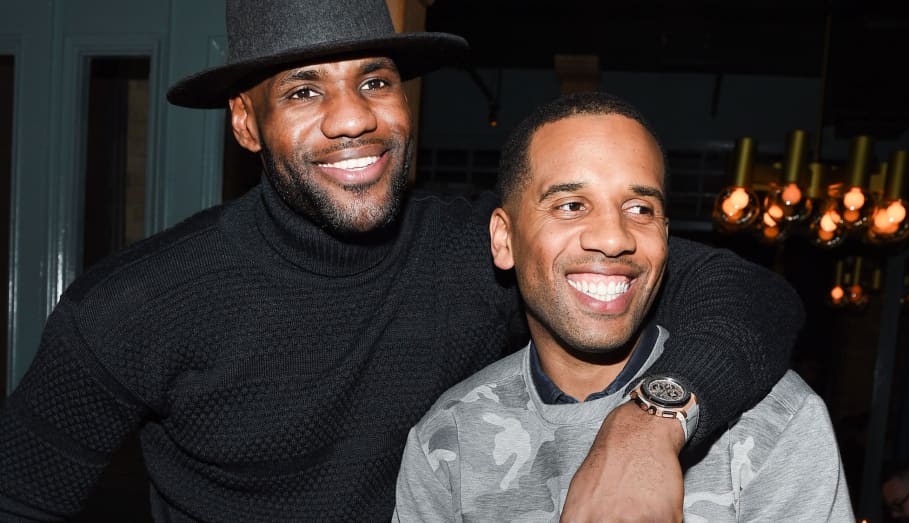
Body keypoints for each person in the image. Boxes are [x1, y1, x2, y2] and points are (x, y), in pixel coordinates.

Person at [0, 1, 803, 521]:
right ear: (246, 124)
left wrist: (649, 425)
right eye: (305, 91)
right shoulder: (137, 305)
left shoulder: (474, 252)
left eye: (375, 80)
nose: (353, 119)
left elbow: (748, 293)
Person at [393, 92, 854, 522]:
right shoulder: (447, 439)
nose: (614, 238)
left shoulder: (776, 420)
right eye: (572, 205)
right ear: (504, 239)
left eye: (639, 209)